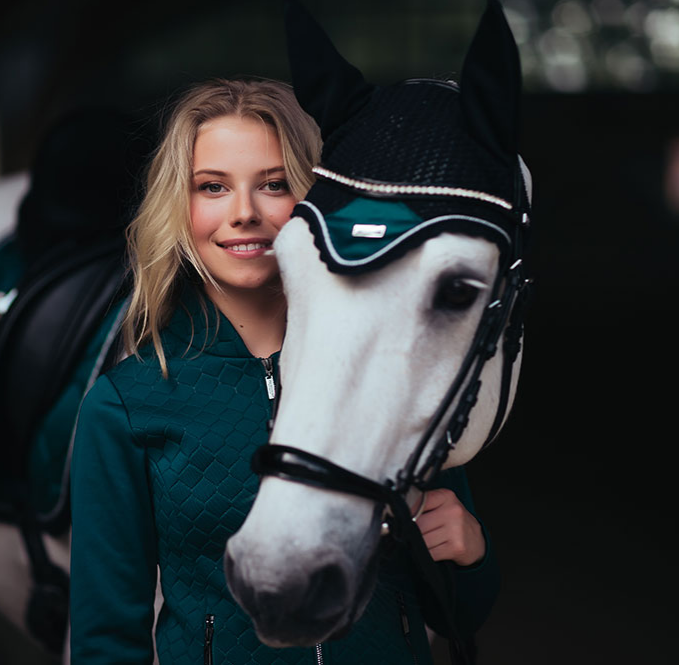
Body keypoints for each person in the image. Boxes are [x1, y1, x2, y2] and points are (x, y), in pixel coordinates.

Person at [68, 78, 499, 664]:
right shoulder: (126, 405)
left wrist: (469, 553)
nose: (244, 213)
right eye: (212, 187)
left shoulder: (394, 373)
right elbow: (105, 642)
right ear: (178, 206)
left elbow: (459, 617)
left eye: (274, 184)